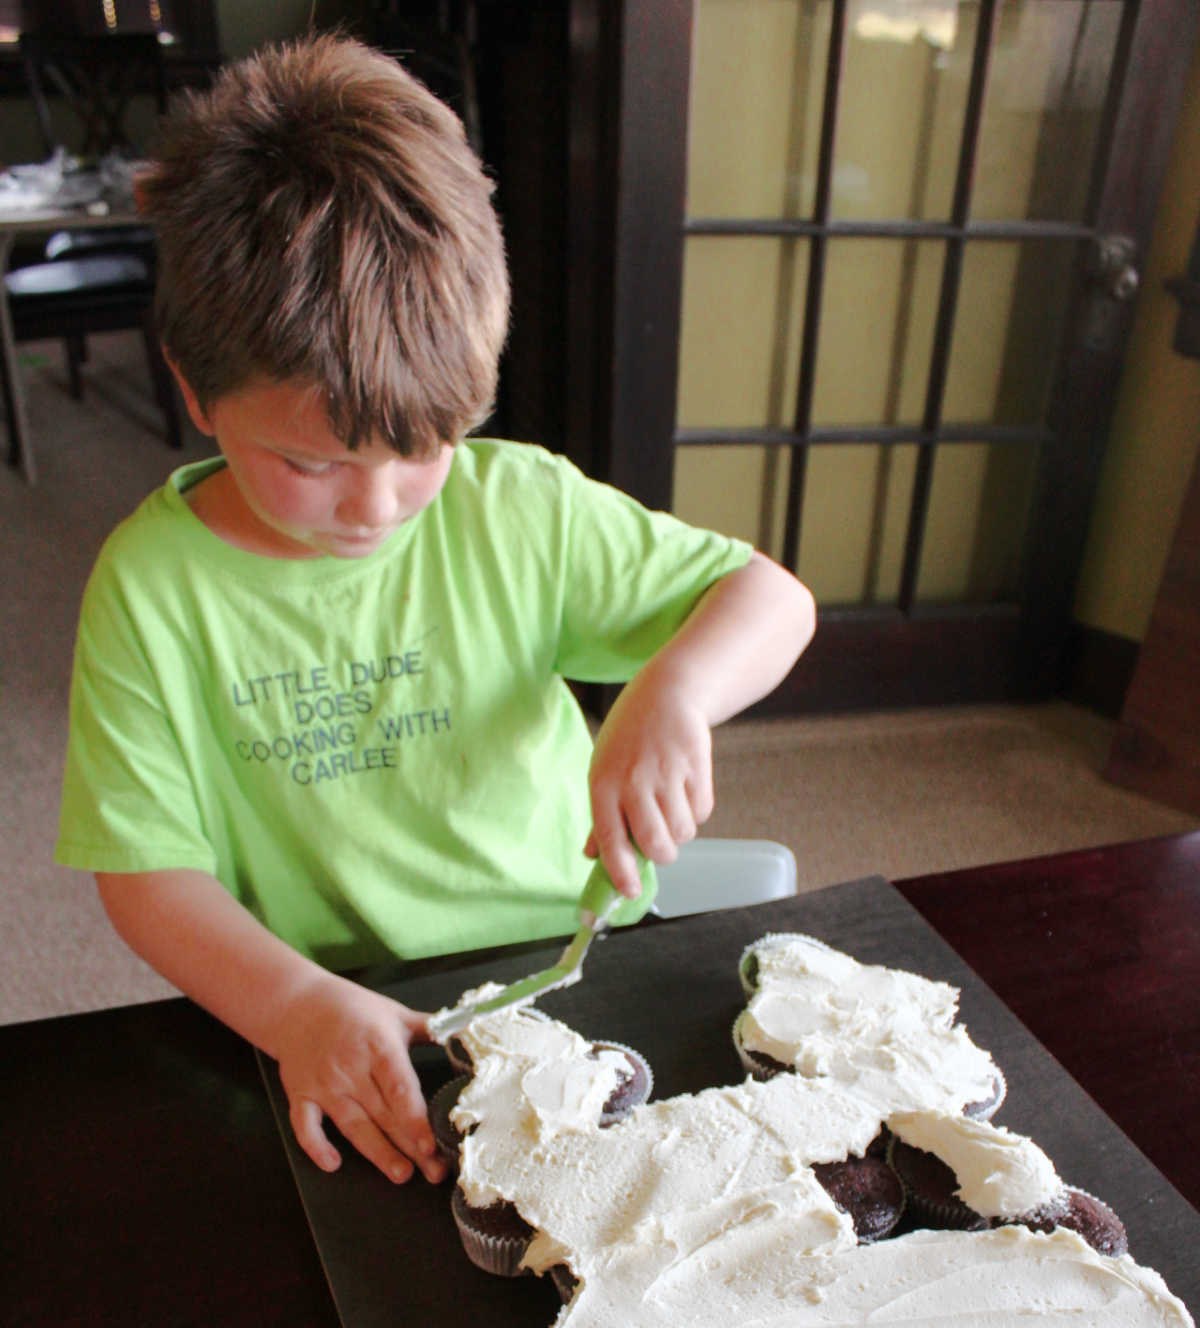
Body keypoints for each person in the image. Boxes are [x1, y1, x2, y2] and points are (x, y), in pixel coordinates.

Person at [55, 33, 816, 1192]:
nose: (377, 504)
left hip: (570, 961)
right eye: (310, 463)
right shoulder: (153, 588)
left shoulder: (521, 508)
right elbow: (147, 875)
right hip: (330, 1007)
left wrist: (674, 689)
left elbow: (769, 596)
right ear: (193, 386)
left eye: (427, 447)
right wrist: (297, 1005)